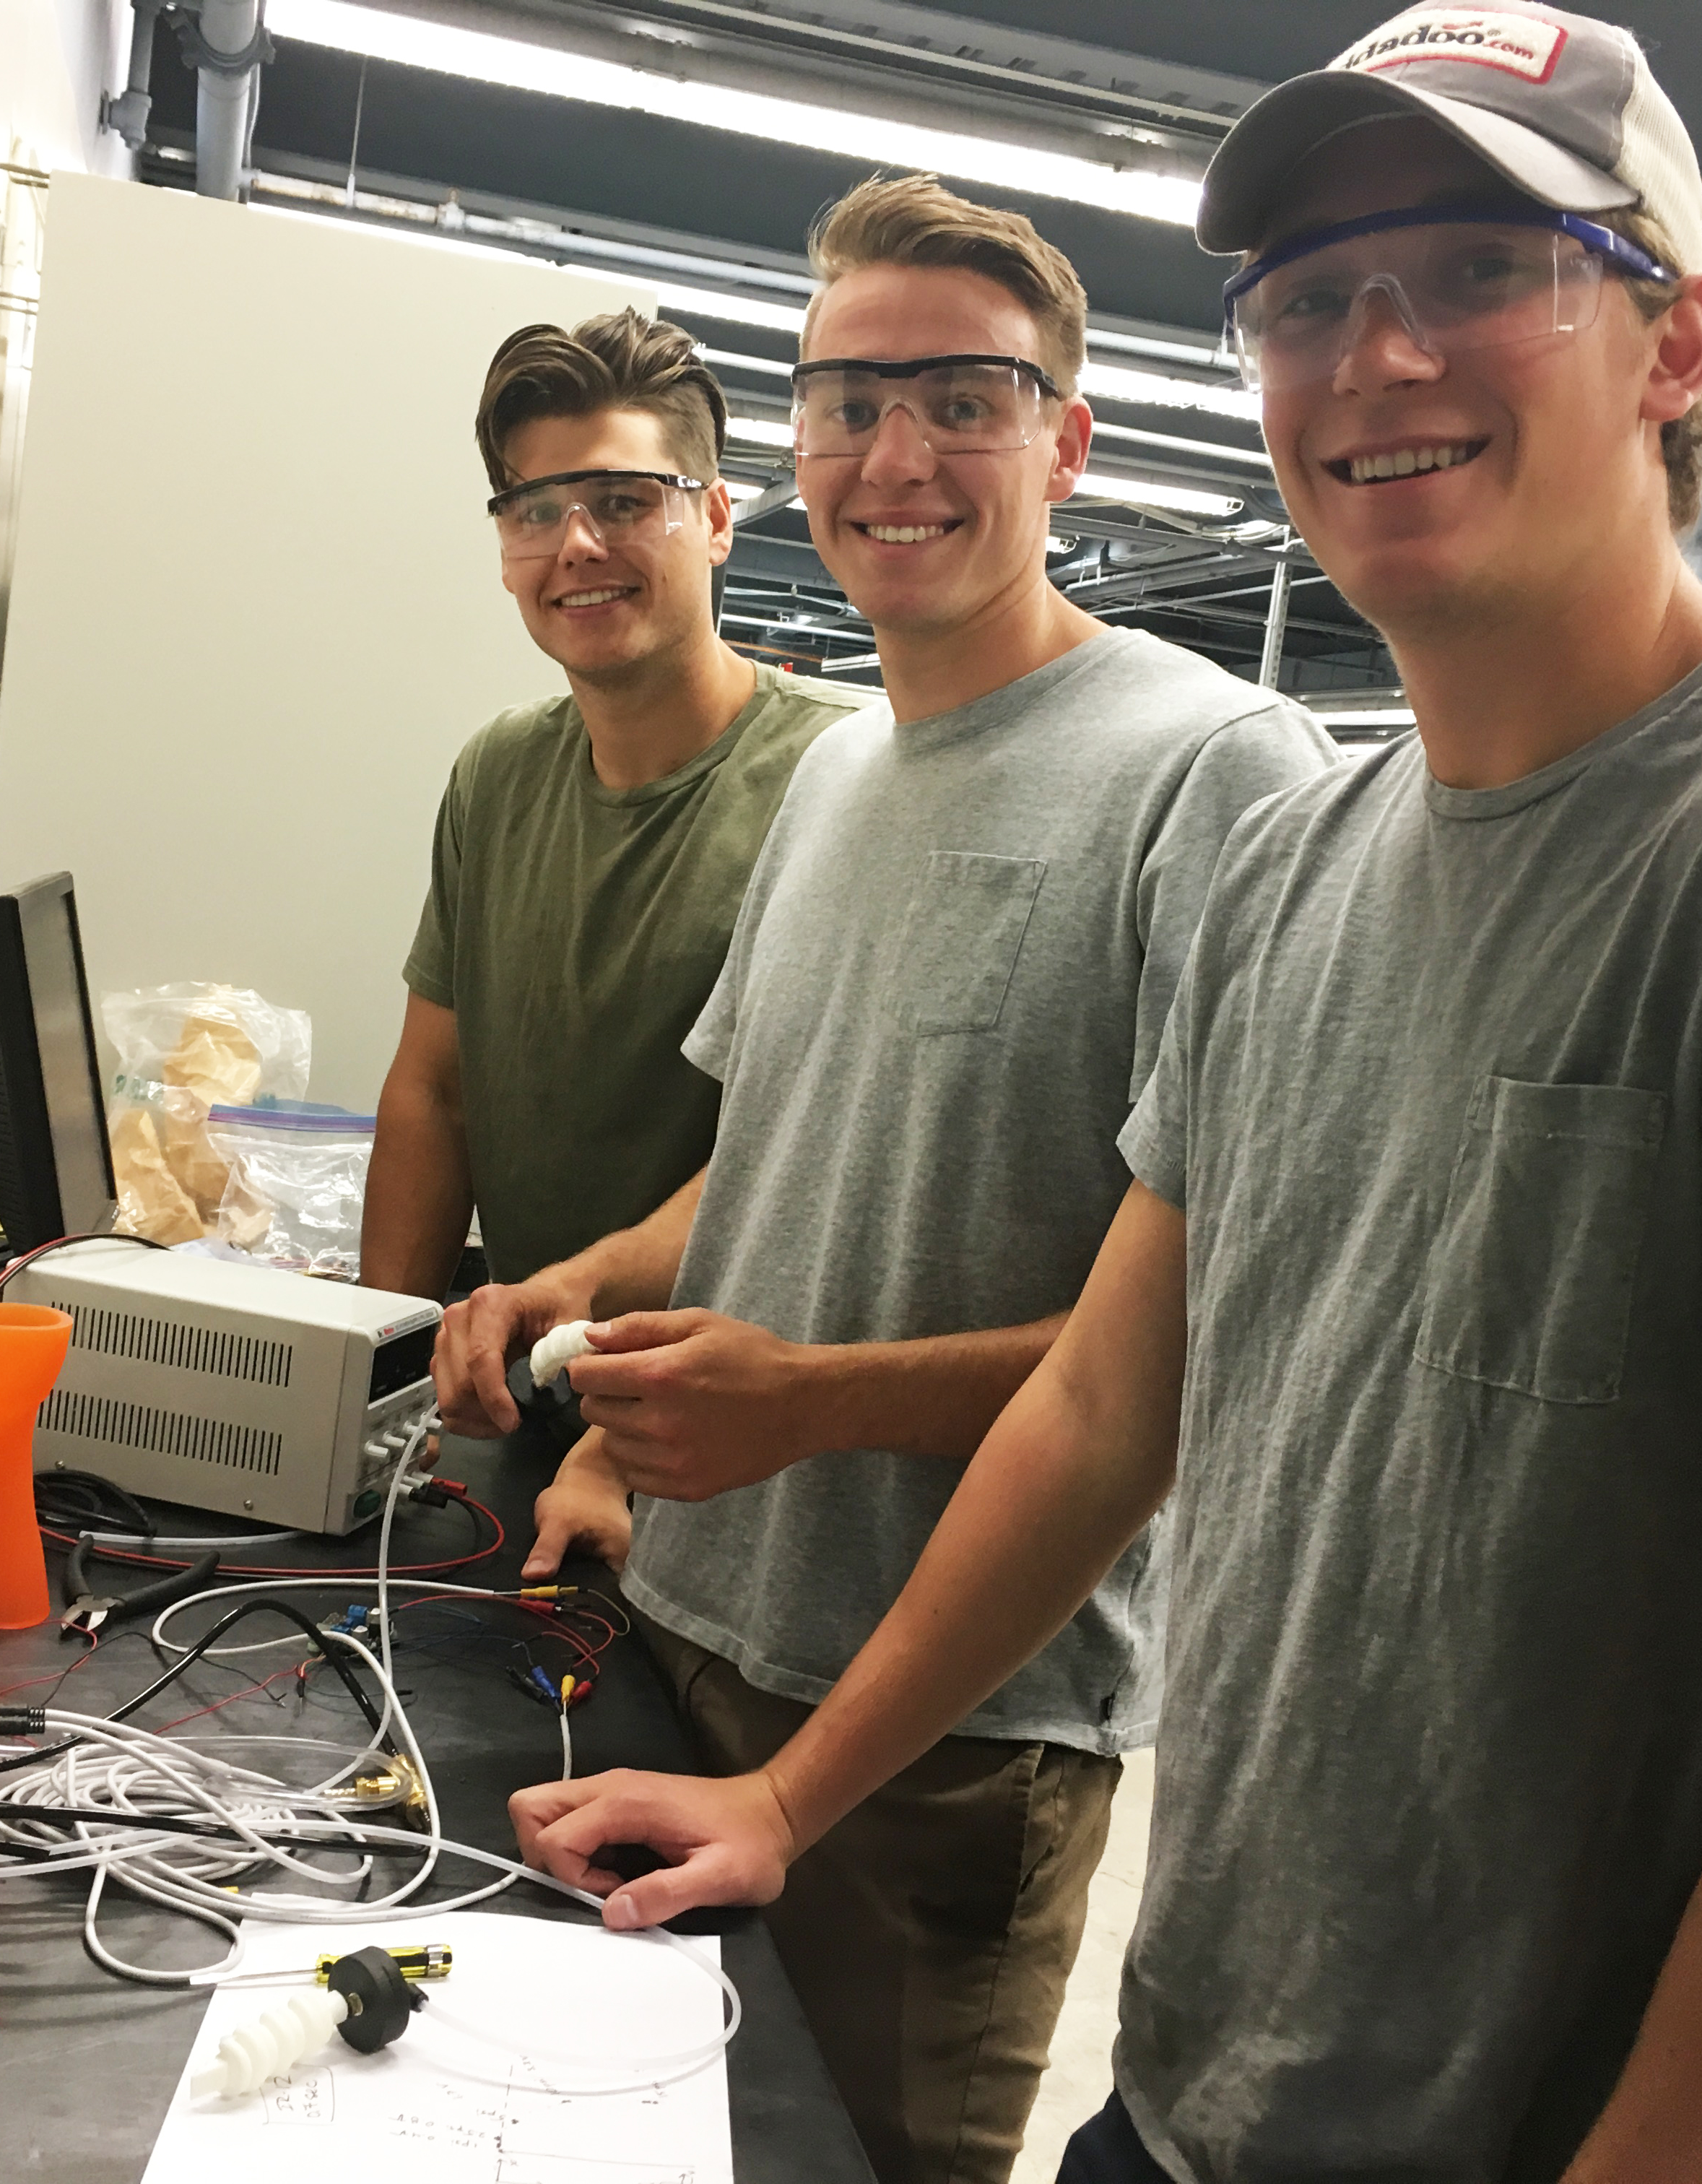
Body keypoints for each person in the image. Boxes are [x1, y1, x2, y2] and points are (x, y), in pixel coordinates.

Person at [506, 12, 1702, 2184]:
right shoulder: (1298, 862)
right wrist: (792, 1800)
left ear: (1676, 345)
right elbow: (1108, 1409)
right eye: (1305, 299)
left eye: (1479, 267)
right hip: (1199, 2110)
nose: (1375, 357)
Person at [431, 178, 1335, 2184]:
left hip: (945, 1742)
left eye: (964, 399)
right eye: (848, 400)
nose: (894, 456)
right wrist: (569, 1293)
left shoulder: (1225, 780)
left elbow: (1207, 1342)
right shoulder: (844, 769)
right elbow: (763, 1164)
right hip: (683, 1638)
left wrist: (806, 1407)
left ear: (1068, 439)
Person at [359, 311, 860, 1312]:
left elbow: (828, 1160)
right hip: (523, 1396)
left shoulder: (844, 775)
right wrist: (370, 1381)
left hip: (736, 1425)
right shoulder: (497, 777)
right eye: (534, 512)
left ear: (717, 519)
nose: (576, 545)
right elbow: (435, 1092)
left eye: (624, 501)